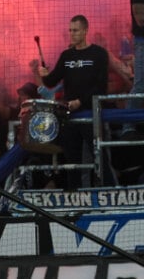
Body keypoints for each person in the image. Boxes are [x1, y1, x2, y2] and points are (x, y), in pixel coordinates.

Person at [39, 15, 109, 189]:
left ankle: (106, 191)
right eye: (70, 30)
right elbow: (51, 81)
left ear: (85, 31)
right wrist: (44, 74)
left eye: (75, 30)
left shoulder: (99, 54)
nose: (72, 34)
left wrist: (81, 101)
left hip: (91, 113)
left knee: (100, 156)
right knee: (72, 160)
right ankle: (73, 196)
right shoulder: (66, 55)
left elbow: (101, 86)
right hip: (70, 115)